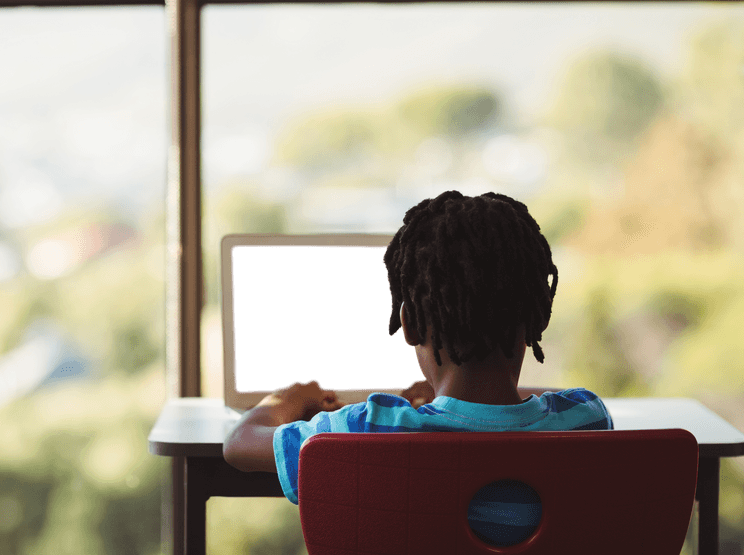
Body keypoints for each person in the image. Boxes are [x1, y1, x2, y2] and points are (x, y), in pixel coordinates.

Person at [223, 190, 613, 546]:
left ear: (407, 323)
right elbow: (535, 404)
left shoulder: (367, 428)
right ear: (538, 316)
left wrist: (291, 397)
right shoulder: (587, 419)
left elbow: (240, 443)